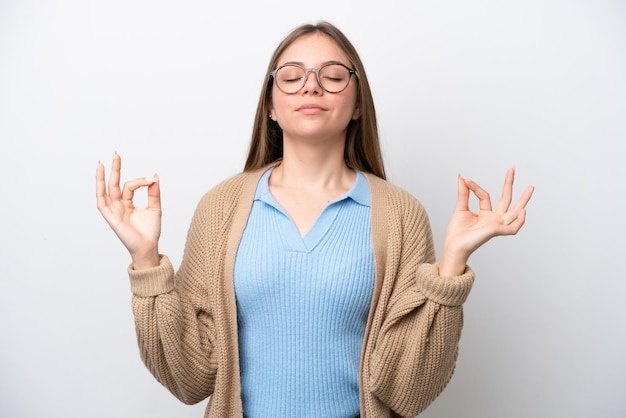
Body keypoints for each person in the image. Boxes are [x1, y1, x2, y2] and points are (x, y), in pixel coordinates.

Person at [96, 21, 534, 418]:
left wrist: (452, 267)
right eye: (291, 77)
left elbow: (406, 390)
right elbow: (191, 378)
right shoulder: (221, 207)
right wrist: (146, 259)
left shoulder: (400, 214)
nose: (311, 87)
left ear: (358, 103)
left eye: (332, 75)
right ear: (270, 105)